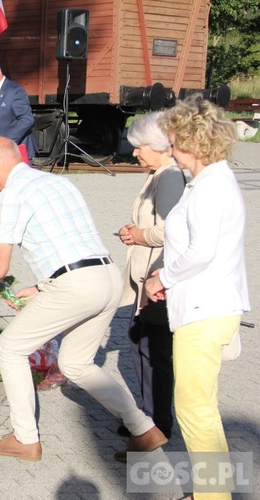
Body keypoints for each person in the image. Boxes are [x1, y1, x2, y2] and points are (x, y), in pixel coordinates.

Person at [0, 136, 166, 462]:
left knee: (11, 347)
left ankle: (25, 439)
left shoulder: (12, 195)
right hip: (106, 277)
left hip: (75, 286)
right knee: (76, 364)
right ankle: (143, 429)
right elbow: (71, 242)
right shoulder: (58, 182)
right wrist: (43, 287)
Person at [145, 95, 250, 498]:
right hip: (206, 306)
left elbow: (201, 251)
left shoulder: (211, 188)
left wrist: (162, 278)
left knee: (195, 410)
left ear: (195, 143)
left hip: (205, 311)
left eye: (173, 142)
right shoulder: (208, 182)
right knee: (199, 407)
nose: (169, 150)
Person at [117, 112, 186, 440]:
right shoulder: (159, 173)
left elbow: (172, 230)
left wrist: (139, 235)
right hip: (146, 278)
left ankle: (158, 422)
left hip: (156, 279)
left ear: (158, 146)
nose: (134, 153)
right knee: (139, 345)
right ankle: (148, 415)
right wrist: (135, 231)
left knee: (153, 350)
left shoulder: (170, 177)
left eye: (139, 146)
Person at [0, 60, 36, 160]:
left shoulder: (15, 91)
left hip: (16, 151)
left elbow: (27, 120)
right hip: (2, 152)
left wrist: (6, 142)